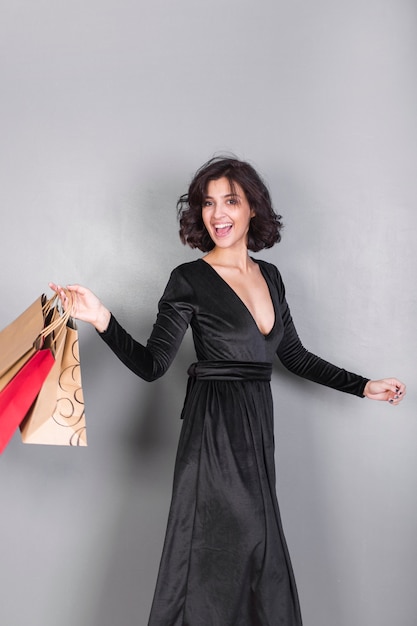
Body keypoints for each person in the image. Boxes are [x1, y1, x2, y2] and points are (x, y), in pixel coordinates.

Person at [50, 156, 406, 626]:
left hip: (256, 433)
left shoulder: (271, 277)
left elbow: (293, 355)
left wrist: (363, 386)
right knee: (211, 560)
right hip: (212, 433)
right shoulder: (189, 279)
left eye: (231, 201)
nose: (218, 214)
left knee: (256, 558)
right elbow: (153, 365)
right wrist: (101, 319)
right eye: (208, 203)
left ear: (252, 209)